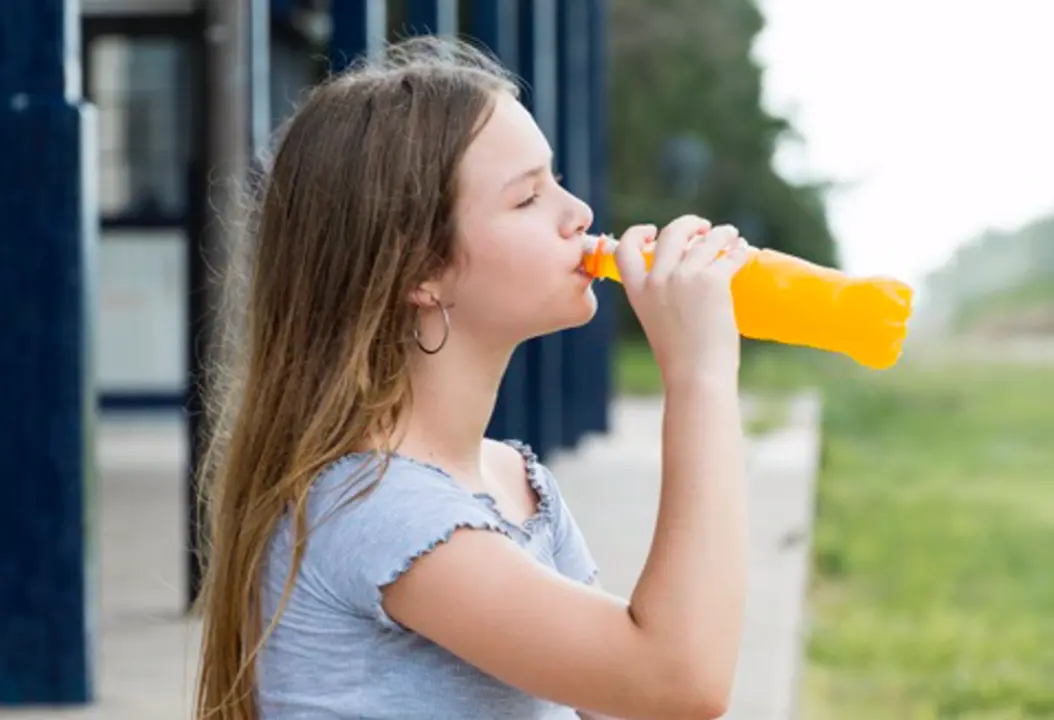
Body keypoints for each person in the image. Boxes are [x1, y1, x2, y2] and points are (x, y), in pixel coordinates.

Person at [193, 35, 750, 720]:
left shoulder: (514, 483)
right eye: (528, 199)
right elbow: (676, 680)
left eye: (559, 181)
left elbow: (625, 701)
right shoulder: (377, 506)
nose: (578, 214)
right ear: (419, 271)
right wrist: (699, 376)